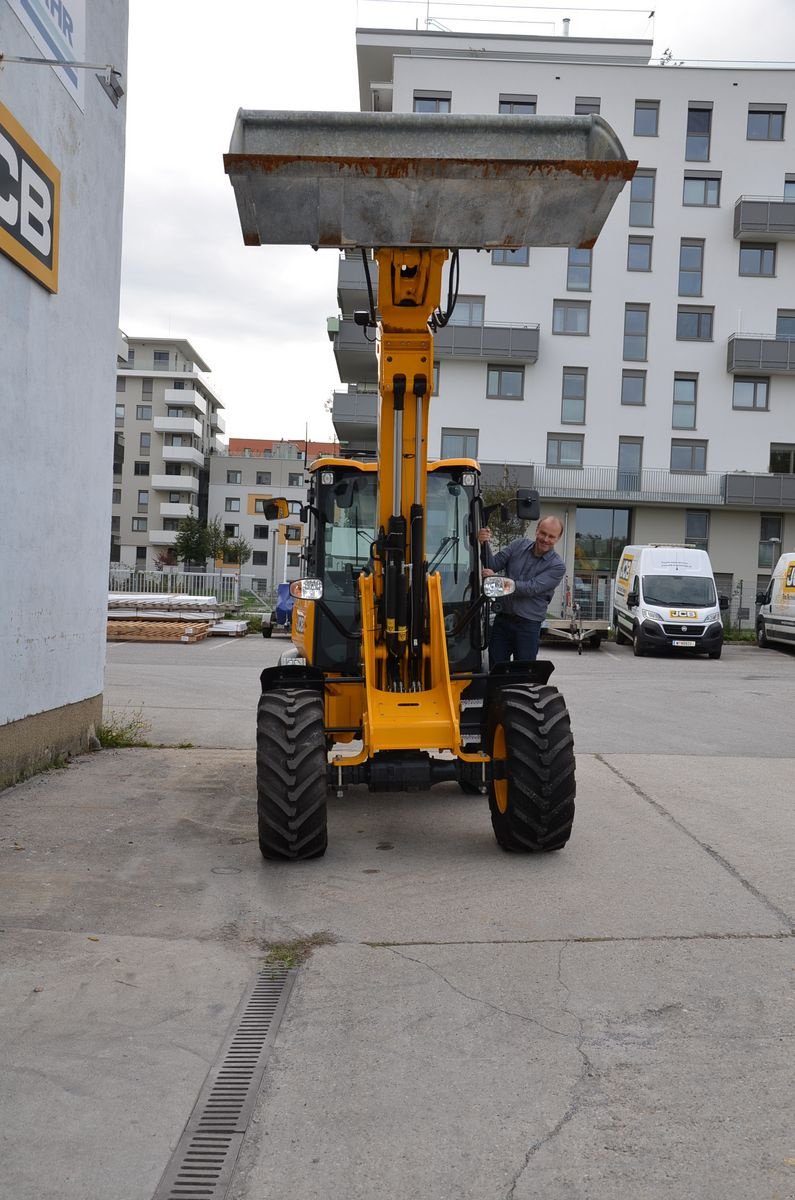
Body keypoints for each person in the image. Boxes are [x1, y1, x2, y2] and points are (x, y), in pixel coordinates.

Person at [478, 515, 565, 667]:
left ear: (557, 539)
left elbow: (531, 588)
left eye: (551, 536)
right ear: (537, 530)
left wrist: (497, 582)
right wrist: (484, 542)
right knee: (496, 670)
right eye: (543, 533)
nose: (545, 539)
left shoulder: (557, 566)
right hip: (503, 620)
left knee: (523, 673)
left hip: (528, 626)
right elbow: (493, 563)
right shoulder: (518, 545)